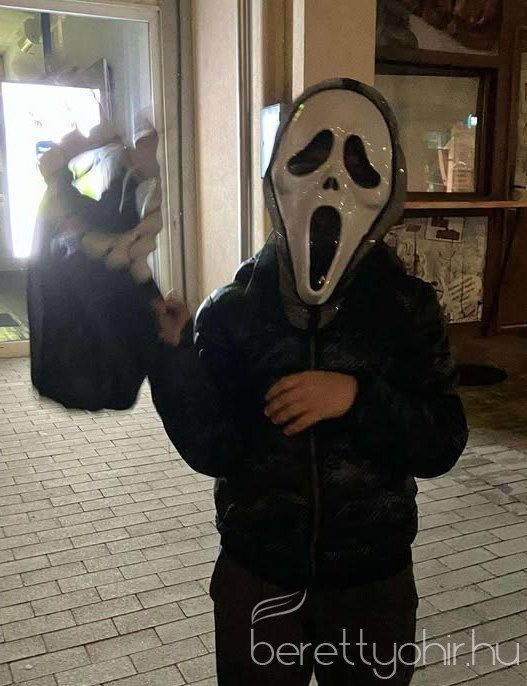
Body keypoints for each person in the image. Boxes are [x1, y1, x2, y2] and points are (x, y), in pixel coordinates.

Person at [147, 79, 469, 685]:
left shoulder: (407, 311)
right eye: (310, 157)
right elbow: (213, 448)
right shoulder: (232, 311)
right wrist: (173, 360)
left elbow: (442, 441)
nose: (332, 182)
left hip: (370, 581)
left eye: (358, 164)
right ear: (277, 174)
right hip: (259, 575)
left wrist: (356, 398)